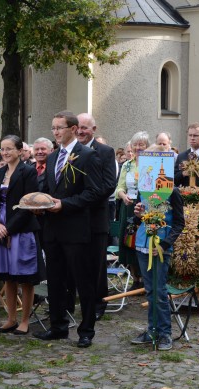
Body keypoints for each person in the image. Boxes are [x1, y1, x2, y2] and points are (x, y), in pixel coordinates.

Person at [33, 110, 102, 348]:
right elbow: (51, 191)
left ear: (73, 129)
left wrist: (65, 204)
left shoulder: (88, 156)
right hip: (52, 229)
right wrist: (40, 205)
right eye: (53, 128)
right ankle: (58, 326)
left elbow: (94, 193)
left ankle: (86, 330)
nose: (55, 132)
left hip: (76, 228)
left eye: (59, 128)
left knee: (83, 281)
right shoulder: (52, 158)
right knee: (55, 280)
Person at [130, 145, 185, 350]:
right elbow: (141, 217)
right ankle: (152, 330)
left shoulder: (172, 191)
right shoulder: (144, 188)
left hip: (160, 248)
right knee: (150, 290)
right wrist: (137, 214)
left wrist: (164, 244)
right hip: (143, 246)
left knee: (159, 291)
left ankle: (165, 334)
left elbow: (179, 223)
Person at [0, 135, 45, 335]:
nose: (5, 153)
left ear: (20, 150)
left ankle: (24, 320)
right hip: (0, 229)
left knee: (24, 277)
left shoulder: (28, 172)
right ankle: (11, 318)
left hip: (21, 229)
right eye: (2, 149)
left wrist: (9, 229)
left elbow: (29, 204)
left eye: (9, 149)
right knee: (8, 277)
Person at [76, 113, 117, 320]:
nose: (81, 131)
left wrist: (83, 200)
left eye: (85, 127)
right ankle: (80, 301)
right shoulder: (71, 151)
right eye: (78, 127)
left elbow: (109, 185)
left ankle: (99, 303)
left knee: (97, 264)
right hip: (73, 218)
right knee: (78, 263)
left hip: (95, 217)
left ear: (94, 129)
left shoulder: (105, 151)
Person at [115, 132, 149, 289]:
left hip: (146, 207)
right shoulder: (127, 165)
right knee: (130, 242)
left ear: (147, 146)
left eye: (141, 144)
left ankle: (146, 277)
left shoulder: (152, 163)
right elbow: (120, 187)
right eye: (135, 144)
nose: (138, 147)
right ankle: (135, 278)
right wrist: (123, 196)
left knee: (144, 241)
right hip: (128, 207)